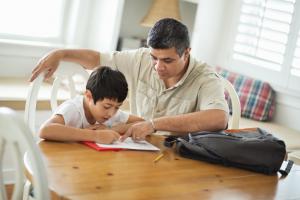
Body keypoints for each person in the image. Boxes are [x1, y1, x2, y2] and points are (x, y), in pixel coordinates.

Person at [31, 18, 229, 142]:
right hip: (136, 145)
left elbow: (219, 118)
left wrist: (154, 124)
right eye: (154, 58)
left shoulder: (205, 77)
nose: (158, 66)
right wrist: (61, 53)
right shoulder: (141, 59)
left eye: (167, 60)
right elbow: (96, 59)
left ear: (186, 53)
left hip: (176, 154)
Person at [39, 66, 144, 144]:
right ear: (89, 96)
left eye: (117, 107)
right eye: (107, 106)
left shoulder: (110, 112)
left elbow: (143, 123)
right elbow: (45, 130)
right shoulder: (73, 109)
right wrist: (96, 135)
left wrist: (111, 130)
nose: (112, 113)